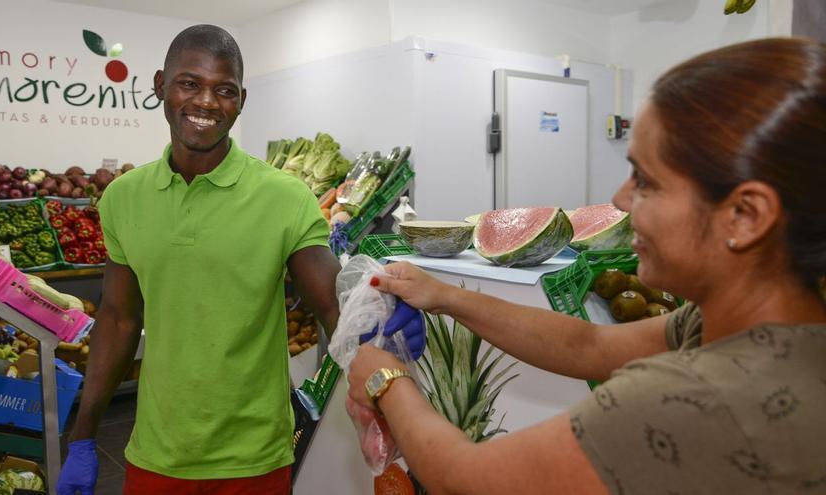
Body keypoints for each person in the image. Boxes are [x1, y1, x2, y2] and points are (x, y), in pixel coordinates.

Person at [347, 37, 826, 494]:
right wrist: (447, 296)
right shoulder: (750, 324)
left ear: (745, 216)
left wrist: (386, 380)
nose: (619, 199)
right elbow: (591, 344)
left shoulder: (690, 397)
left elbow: (463, 478)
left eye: (646, 181)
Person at [56, 25, 423, 495]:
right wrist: (83, 437)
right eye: (189, 83)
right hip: (155, 453)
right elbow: (118, 317)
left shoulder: (283, 197)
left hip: (254, 460)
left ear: (241, 99)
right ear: (159, 86)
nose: (207, 102)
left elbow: (332, 305)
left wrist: (374, 316)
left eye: (224, 90)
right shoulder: (123, 199)